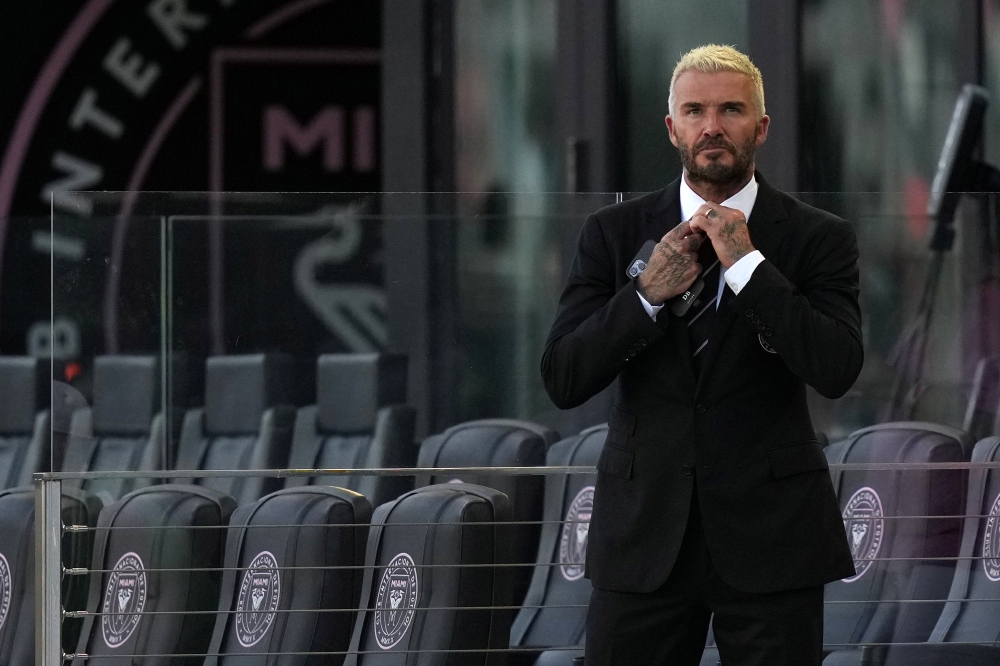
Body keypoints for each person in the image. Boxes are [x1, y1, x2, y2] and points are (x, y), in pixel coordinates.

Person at [540, 45, 862, 665]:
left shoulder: (819, 236)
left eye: (731, 110)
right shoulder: (611, 233)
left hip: (773, 536)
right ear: (672, 128)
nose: (712, 126)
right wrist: (644, 295)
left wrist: (748, 266)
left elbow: (837, 366)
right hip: (642, 537)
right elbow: (563, 375)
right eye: (695, 111)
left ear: (761, 127)